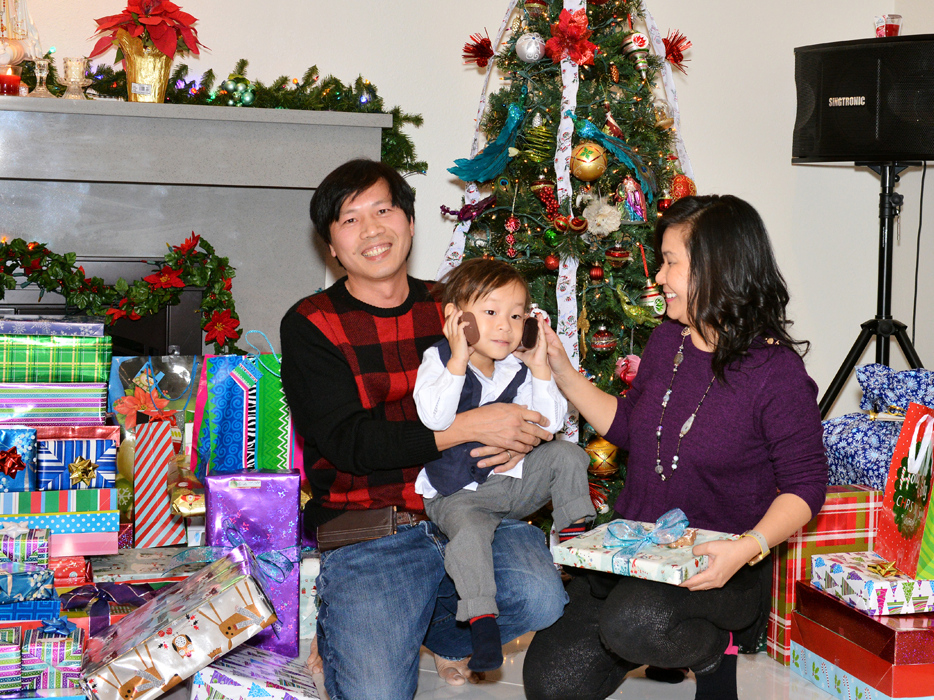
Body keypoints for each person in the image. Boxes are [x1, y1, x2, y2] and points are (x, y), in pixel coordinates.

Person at [280, 159, 567, 700]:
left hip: (471, 506)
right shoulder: (311, 323)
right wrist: (463, 428)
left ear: (410, 223)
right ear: (332, 248)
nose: (371, 230)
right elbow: (346, 443)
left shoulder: (456, 307)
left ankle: (438, 632)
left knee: (541, 596)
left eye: (383, 210)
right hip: (371, 528)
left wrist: (524, 430)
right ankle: (366, 621)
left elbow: (521, 386)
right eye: (349, 219)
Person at [522, 195, 828, 700]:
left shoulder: (777, 375)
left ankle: (715, 651)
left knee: (633, 623)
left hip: (719, 564)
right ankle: (660, 633)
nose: (659, 277)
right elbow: (629, 427)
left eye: (670, 262)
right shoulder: (669, 340)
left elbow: (805, 486)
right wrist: (560, 369)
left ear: (717, 268)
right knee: (550, 684)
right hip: (638, 550)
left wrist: (744, 549)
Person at [414, 257, 594, 672]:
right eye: (491, 313)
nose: (504, 327)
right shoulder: (438, 360)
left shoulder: (517, 367)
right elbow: (435, 419)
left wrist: (540, 368)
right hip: (458, 493)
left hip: (511, 486)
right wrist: (458, 359)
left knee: (568, 454)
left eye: (516, 316)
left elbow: (549, 425)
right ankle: (482, 622)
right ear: (457, 318)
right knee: (471, 535)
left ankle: (577, 541)